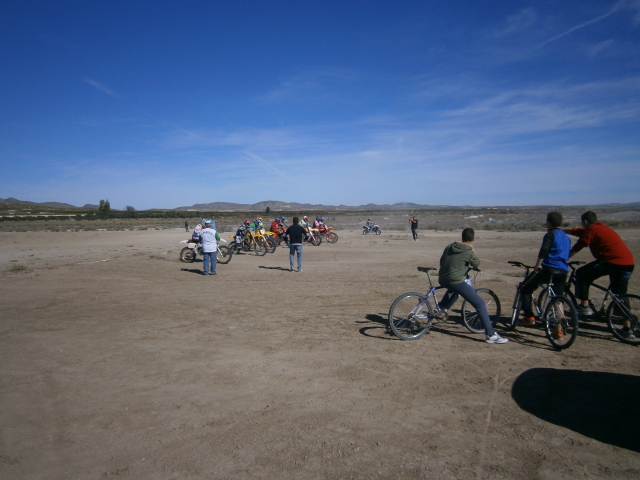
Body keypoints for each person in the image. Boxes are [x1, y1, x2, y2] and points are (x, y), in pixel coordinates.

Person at [561, 211, 635, 332]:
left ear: (585, 221)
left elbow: (579, 245)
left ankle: (585, 306)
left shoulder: (592, 230)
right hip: (628, 263)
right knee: (620, 294)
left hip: (612, 262)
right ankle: (628, 329)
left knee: (581, 275)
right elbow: (578, 231)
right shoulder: (601, 228)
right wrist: (561, 229)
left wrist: (565, 258)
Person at [438, 228, 508, 344]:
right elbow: (476, 263)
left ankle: (441, 309)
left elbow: (442, 261)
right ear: (473, 239)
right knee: (480, 303)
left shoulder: (449, 246)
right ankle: (490, 335)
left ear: (462, 237)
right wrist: (472, 249)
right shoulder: (469, 251)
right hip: (455, 281)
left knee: (456, 289)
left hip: (442, 279)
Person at [516, 212, 571, 332]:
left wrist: (537, 265)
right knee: (558, 297)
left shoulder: (550, 235)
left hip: (550, 268)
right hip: (563, 270)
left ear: (549, 223)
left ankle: (528, 316)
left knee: (525, 288)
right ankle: (559, 328)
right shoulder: (566, 237)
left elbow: (544, 250)